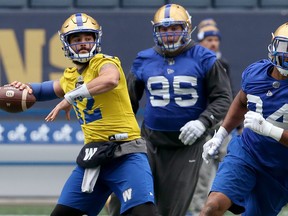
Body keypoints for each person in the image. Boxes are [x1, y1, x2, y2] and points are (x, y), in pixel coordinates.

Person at [10, 13, 157, 216]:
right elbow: (41, 90)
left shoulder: (104, 62)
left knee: (144, 214)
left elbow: (110, 79)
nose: (83, 44)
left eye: (88, 38)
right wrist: (21, 87)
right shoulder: (70, 76)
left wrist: (71, 97)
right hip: (94, 158)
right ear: (66, 44)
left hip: (126, 154)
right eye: (77, 39)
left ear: (96, 40)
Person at [107, 4, 233, 216]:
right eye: (163, 29)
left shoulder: (205, 58)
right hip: (149, 142)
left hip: (187, 146)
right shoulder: (144, 59)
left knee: (170, 209)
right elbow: (128, 101)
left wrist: (203, 121)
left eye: (174, 27)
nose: (169, 34)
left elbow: (223, 97)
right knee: (129, 199)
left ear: (187, 28)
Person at [200, 22, 288, 216]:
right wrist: (221, 134)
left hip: (280, 168)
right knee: (212, 206)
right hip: (247, 152)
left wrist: (269, 130)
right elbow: (241, 101)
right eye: (285, 47)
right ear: (274, 45)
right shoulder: (256, 73)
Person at [188, 18, 234, 216]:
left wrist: (234, 122)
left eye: (216, 39)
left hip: (222, 124)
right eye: (209, 39)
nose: (213, 43)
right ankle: (199, 210)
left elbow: (228, 95)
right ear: (200, 42)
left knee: (233, 164)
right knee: (202, 173)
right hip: (202, 125)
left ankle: (236, 206)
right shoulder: (192, 65)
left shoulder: (222, 63)